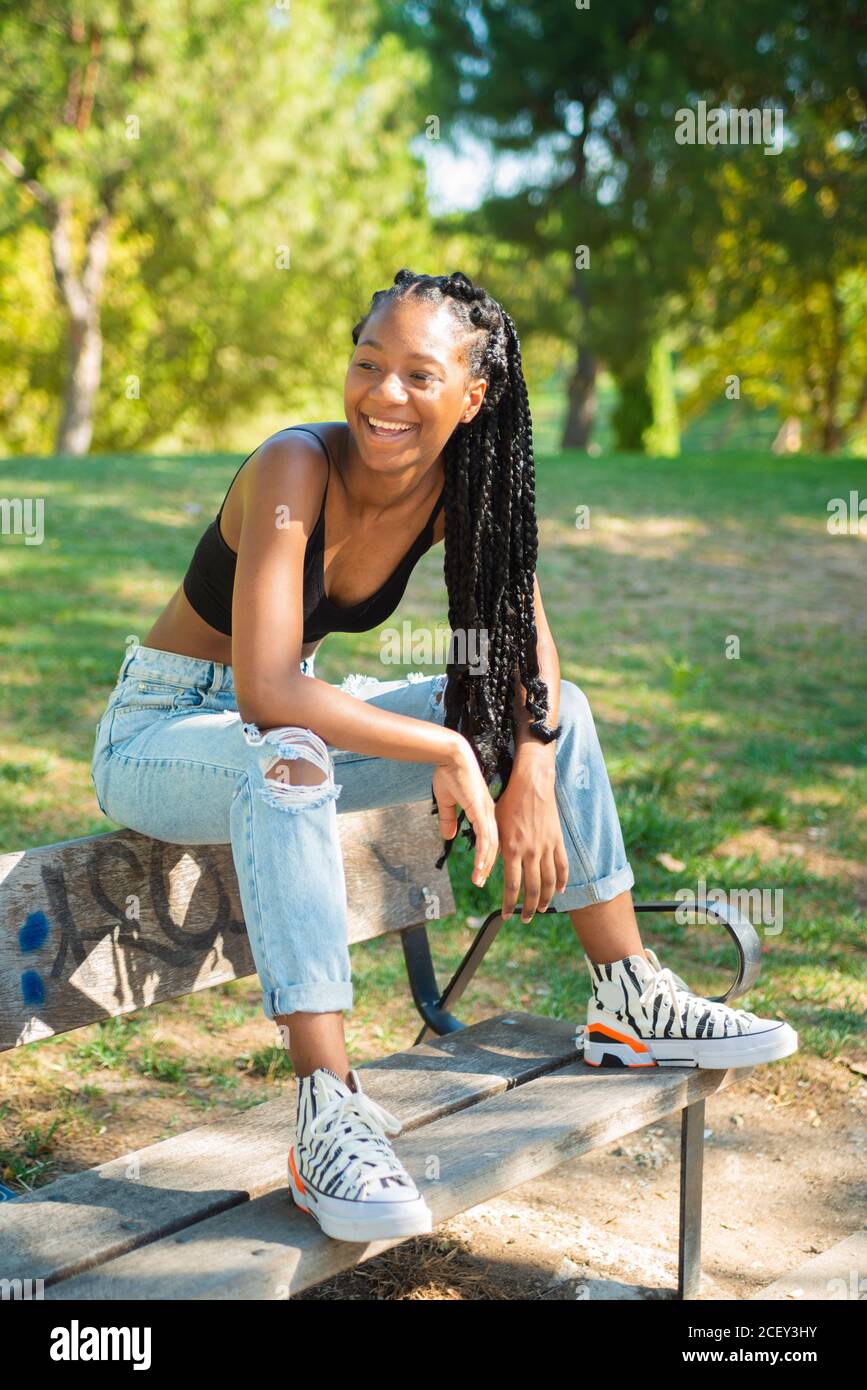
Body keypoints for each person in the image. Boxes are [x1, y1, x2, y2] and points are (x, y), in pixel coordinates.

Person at [90, 268, 798, 1245]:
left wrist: (532, 766)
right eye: (368, 365)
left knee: (559, 709)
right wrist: (448, 746)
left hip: (278, 728)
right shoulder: (293, 468)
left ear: (473, 397)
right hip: (164, 732)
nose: (384, 393)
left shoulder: (464, 490)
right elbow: (266, 691)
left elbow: (524, 648)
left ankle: (630, 990)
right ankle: (330, 1110)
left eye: (419, 376)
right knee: (289, 755)